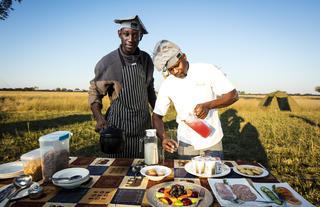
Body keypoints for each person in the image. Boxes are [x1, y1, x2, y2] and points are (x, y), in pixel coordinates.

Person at [152, 40, 239, 160]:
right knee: (186, 178)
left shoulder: (207, 70)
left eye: (177, 65)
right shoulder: (167, 84)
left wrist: (209, 105)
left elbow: (233, 95)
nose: (176, 71)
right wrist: (164, 138)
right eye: (171, 70)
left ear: (184, 56)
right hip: (185, 142)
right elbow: (157, 116)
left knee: (212, 177)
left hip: (212, 141)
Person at [88, 15, 156, 158]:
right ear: (120, 34)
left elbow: (149, 90)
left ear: (141, 36)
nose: (130, 39)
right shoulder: (108, 62)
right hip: (118, 131)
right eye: (126, 34)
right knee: (118, 171)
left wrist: (157, 116)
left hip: (143, 128)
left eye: (135, 35)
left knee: (143, 168)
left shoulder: (146, 60)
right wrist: (99, 118)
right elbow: (95, 92)